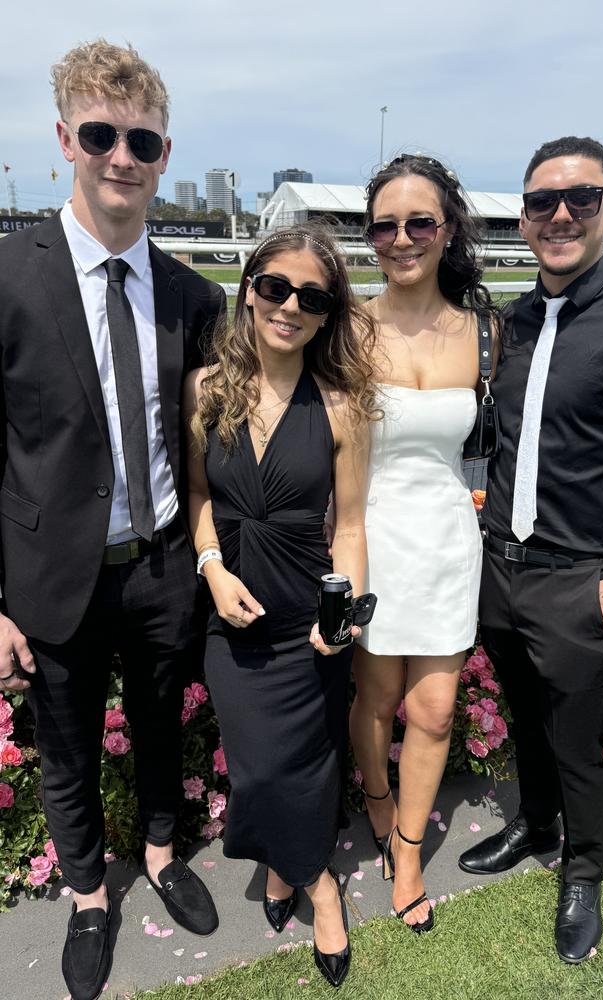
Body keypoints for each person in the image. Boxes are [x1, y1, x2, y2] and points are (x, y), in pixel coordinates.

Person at [0, 39, 224, 1000]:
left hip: (164, 559)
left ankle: (166, 854)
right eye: (101, 135)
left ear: (164, 152)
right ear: (65, 141)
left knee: (163, 723)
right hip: (53, 575)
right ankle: (90, 894)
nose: (122, 156)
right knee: (68, 743)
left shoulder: (191, 294)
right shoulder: (10, 279)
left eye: (143, 140)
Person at [458, 136, 603, 964]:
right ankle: (536, 827)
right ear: (526, 218)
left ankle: (583, 870)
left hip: (583, 581)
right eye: (543, 202)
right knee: (527, 730)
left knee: (578, 744)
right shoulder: (516, 319)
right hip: (500, 570)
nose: (560, 215)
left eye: (580, 199)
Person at [185, 225, 376, 989]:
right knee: (261, 770)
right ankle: (311, 873)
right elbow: (199, 497)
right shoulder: (204, 389)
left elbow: (353, 527)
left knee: (307, 761)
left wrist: (342, 619)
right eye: (275, 287)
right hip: (233, 616)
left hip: (308, 617)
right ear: (249, 288)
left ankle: (303, 879)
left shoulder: (342, 406)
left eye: (312, 296)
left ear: (328, 312)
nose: (290, 305)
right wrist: (210, 569)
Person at [349, 154, 500, 932]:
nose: (401, 238)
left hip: (444, 538)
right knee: (375, 699)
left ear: (447, 230)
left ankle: (408, 852)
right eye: (384, 224)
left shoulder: (485, 331)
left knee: (435, 710)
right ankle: (377, 803)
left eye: (419, 222)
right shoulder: (341, 326)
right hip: (367, 537)